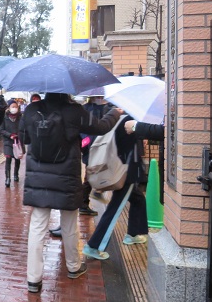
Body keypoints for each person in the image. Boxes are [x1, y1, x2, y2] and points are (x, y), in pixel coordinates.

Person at [19, 92, 123, 294]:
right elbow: (101, 127)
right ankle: (74, 267)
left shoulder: (31, 110)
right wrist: (113, 113)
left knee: (37, 226)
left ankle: (33, 279)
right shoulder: (75, 111)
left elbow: (25, 137)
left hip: (38, 175)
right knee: (69, 223)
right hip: (66, 174)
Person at [82, 114, 151, 260]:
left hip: (119, 170)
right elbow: (129, 148)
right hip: (126, 173)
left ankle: (133, 233)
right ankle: (94, 246)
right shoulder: (128, 120)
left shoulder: (114, 116)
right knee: (114, 209)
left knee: (138, 199)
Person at [0, 99, 24, 187]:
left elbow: (24, 129)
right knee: (8, 159)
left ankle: (16, 174)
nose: (14, 108)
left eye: (16, 106)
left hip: (18, 142)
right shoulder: (4, 117)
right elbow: (1, 129)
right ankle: (7, 178)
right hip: (8, 142)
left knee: (17, 159)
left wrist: (19, 135)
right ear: (9, 108)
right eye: (13, 107)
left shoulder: (20, 117)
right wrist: (10, 135)